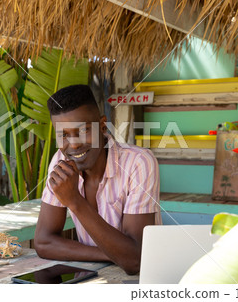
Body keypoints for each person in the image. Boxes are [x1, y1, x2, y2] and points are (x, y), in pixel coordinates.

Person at [34, 84, 161, 275]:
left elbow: (134, 262)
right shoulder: (61, 162)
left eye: (83, 131)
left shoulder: (138, 162)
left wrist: (74, 201)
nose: (74, 144)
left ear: (102, 126)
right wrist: (114, 254)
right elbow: (44, 243)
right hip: (89, 279)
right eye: (63, 135)